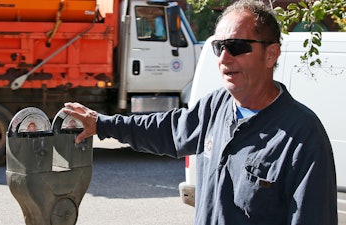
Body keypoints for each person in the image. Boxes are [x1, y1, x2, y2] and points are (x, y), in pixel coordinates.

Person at [63, 0, 338, 224]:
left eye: (236, 46)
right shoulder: (215, 107)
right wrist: (103, 124)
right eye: (218, 47)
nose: (223, 58)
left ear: (271, 54)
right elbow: (166, 130)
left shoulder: (303, 136)